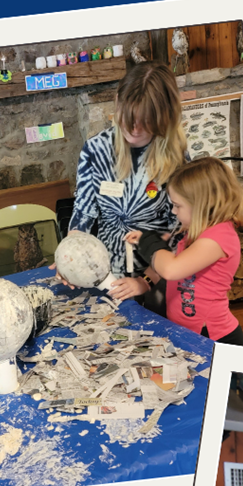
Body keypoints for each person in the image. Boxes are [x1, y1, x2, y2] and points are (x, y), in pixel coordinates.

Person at [65, 61, 188, 308]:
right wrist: (70, 257)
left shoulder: (177, 160)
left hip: (158, 278)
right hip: (105, 276)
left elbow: (180, 233)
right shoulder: (95, 150)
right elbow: (83, 215)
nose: (134, 128)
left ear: (164, 117)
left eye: (145, 120)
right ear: (118, 102)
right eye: (128, 117)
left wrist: (146, 281)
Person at [127, 157, 243, 346]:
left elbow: (171, 269)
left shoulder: (218, 238)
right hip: (187, 332)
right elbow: (170, 271)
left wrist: (148, 240)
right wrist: (142, 282)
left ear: (202, 205)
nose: (174, 211)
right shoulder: (196, 234)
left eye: (178, 205)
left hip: (215, 337)